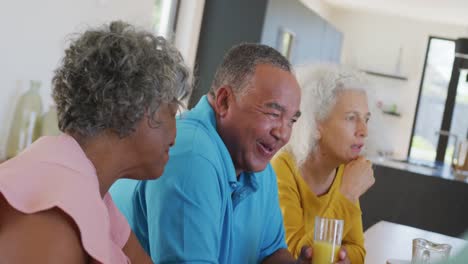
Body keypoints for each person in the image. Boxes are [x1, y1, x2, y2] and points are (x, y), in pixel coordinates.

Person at [111, 43, 346, 263]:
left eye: (291, 120)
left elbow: (270, 253)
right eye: (273, 113)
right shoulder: (192, 155)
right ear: (224, 102)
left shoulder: (257, 163)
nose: (283, 134)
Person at [0, 21, 190, 263]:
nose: (175, 135)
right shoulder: (55, 211)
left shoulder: (92, 192)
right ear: (133, 110)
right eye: (172, 112)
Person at [271, 64, 375, 264]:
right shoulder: (282, 168)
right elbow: (295, 255)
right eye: (351, 118)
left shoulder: (345, 170)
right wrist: (347, 194)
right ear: (315, 124)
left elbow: (357, 252)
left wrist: (341, 257)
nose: (364, 131)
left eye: (366, 119)